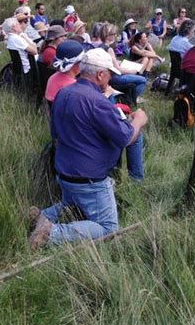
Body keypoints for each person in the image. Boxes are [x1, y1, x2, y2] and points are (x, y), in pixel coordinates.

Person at [29, 48, 148, 248]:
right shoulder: (97, 102)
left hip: (64, 172)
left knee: (72, 204)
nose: (110, 79)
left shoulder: (64, 93)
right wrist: (139, 120)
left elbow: (56, 133)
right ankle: (52, 233)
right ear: (100, 74)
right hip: (89, 179)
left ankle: (41, 216)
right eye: (109, 74)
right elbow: (126, 138)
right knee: (108, 227)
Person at [99, 23, 148, 103]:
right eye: (113, 34)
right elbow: (118, 70)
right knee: (143, 79)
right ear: (108, 36)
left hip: (106, 75)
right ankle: (131, 100)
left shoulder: (100, 47)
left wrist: (117, 62)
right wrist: (134, 71)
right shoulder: (109, 49)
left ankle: (129, 97)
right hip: (114, 77)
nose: (115, 36)